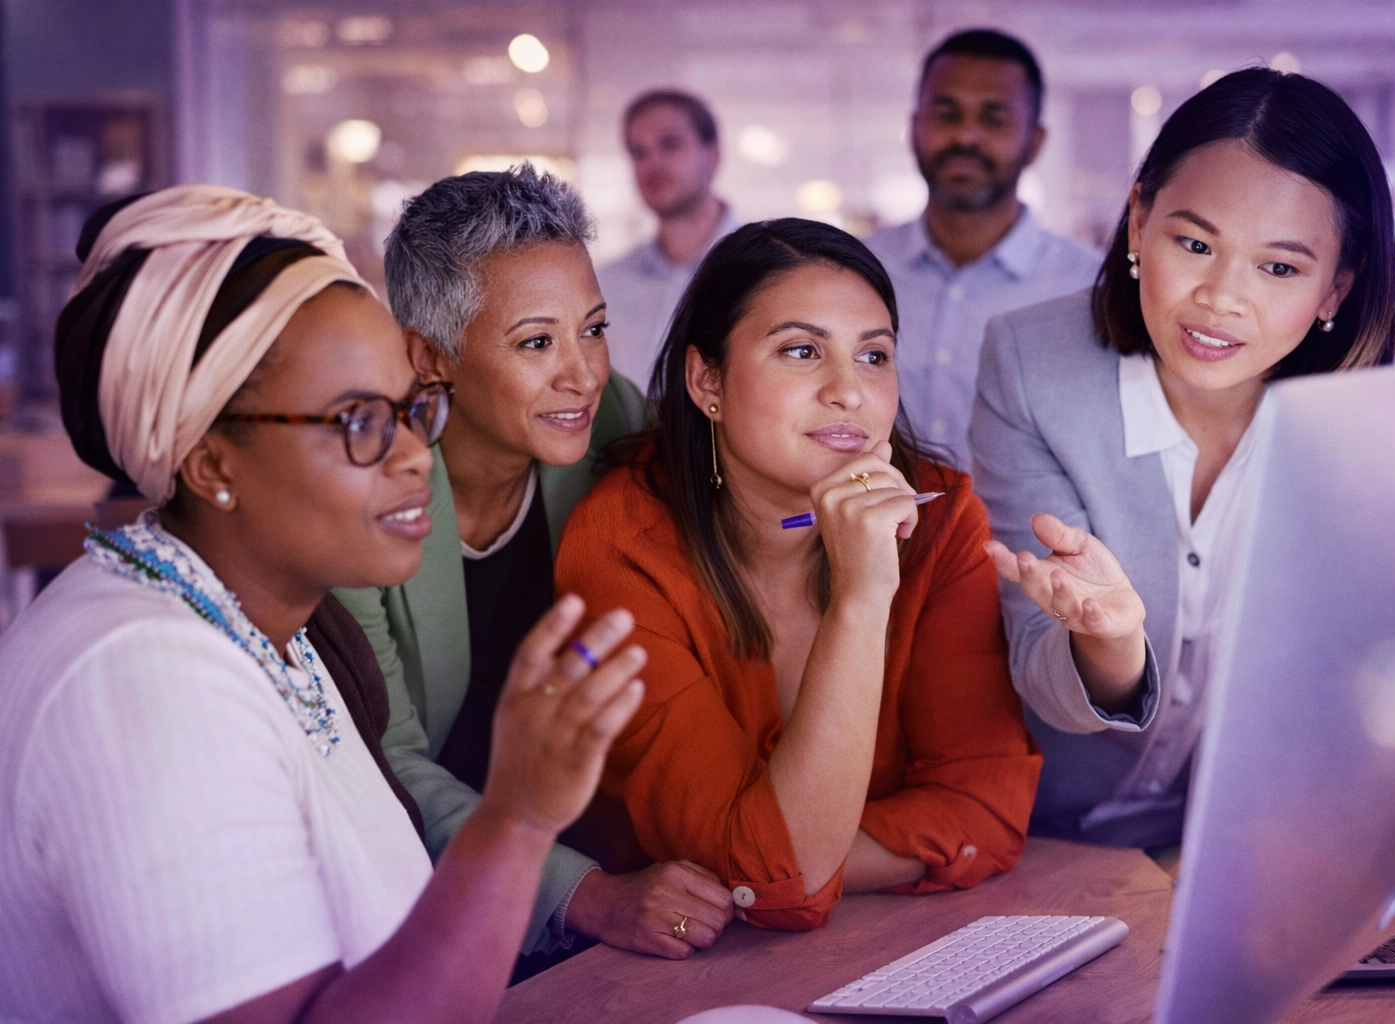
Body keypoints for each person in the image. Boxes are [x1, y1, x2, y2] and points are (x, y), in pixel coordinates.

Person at [0, 184, 648, 1023]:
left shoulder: (270, 627)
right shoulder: (146, 683)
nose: (417, 454)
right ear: (210, 464)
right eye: (357, 421)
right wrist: (519, 819)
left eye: (413, 411)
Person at [558, 218, 1043, 931]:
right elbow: (778, 876)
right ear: (707, 380)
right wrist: (861, 596)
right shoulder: (622, 543)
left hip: (880, 945)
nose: (849, 390)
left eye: (874, 356)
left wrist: (779, 865)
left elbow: (985, 809)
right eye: (801, 350)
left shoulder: (938, 519)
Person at [971, 68, 1395, 849]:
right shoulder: (1033, 367)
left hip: (1264, 844)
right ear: (1139, 223)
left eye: (1279, 268)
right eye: (1195, 243)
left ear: (1337, 286)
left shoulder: (1384, 425)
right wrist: (1107, 638)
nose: (1220, 298)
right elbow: (1038, 662)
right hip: (1039, 838)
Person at [333, 166, 733, 965]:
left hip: (597, 841)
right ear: (429, 356)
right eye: (537, 342)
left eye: (592, 328)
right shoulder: (357, 489)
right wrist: (584, 894)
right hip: (411, 896)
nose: (582, 373)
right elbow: (380, 760)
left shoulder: (616, 417)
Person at [863, 28, 1100, 469]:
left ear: (1035, 142)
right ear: (915, 128)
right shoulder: (853, 271)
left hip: (1022, 537)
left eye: (994, 119)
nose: (967, 136)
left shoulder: (1089, 288)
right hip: (862, 533)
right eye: (946, 113)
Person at [597, 89, 738, 387]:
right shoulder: (607, 285)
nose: (653, 165)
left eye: (670, 144)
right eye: (639, 152)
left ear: (712, 154)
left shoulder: (762, 269)